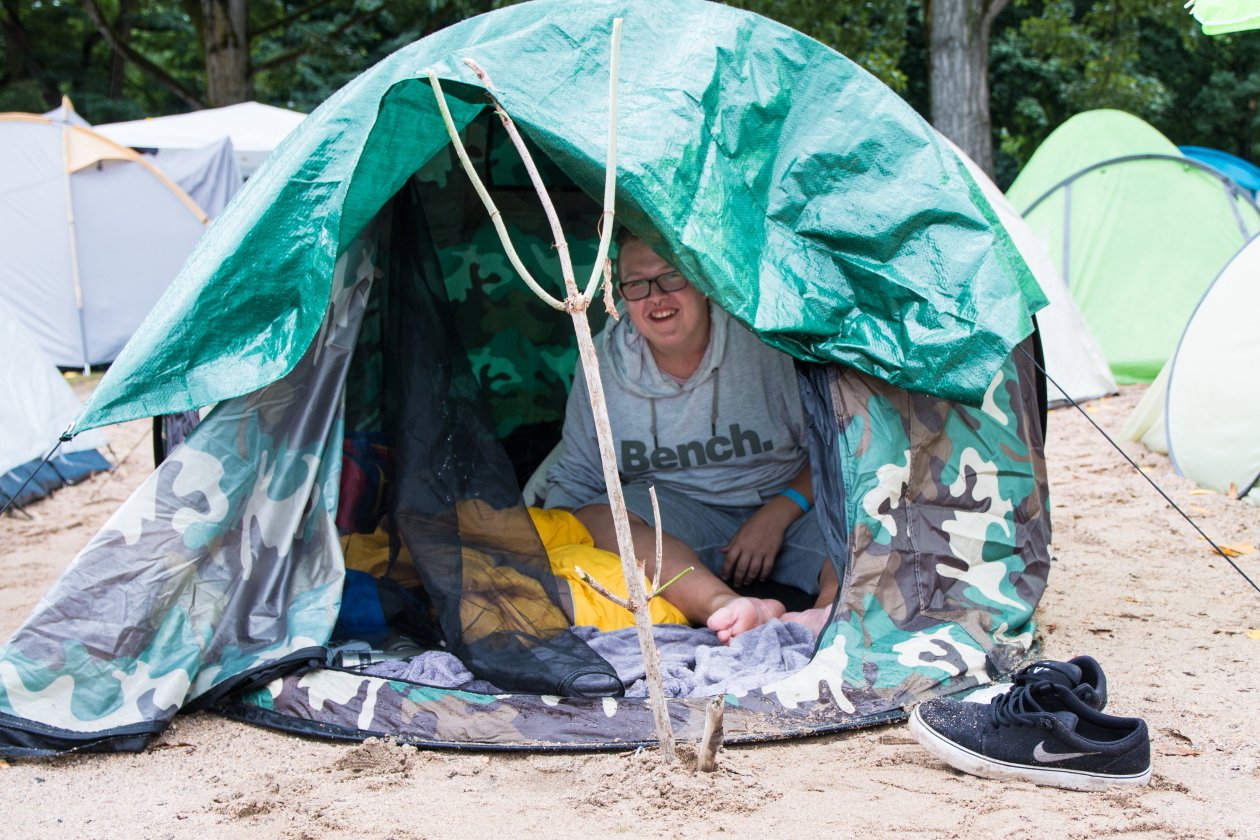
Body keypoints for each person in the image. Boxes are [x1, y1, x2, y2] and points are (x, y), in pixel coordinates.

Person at [544, 230, 838, 643]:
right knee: (595, 516)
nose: (656, 296)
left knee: (869, 514)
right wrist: (543, 551)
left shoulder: (764, 343)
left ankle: (829, 615)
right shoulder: (602, 361)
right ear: (620, 294)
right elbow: (579, 472)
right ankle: (727, 607)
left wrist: (781, 509)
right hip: (678, 519)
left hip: (788, 505)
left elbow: (839, 446)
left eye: (671, 276)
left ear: (702, 283)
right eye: (637, 283)